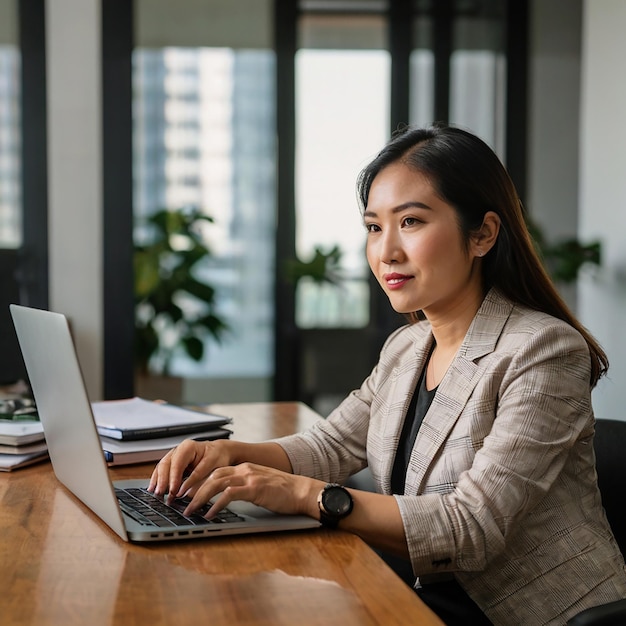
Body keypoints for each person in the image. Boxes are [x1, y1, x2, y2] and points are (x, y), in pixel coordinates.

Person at [149, 124, 626, 625]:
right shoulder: (407, 346)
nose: (386, 252)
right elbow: (330, 448)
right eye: (374, 227)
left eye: (412, 222)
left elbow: (471, 528)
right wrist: (228, 453)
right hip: (417, 594)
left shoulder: (543, 351)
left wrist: (300, 494)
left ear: (482, 233)